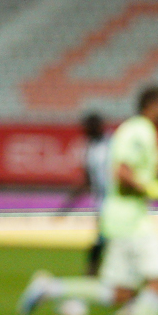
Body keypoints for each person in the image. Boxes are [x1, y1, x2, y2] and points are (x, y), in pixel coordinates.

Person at [20, 85, 158, 315]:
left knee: (117, 293)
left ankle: (49, 288)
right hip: (131, 220)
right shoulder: (139, 130)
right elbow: (124, 174)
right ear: (153, 105)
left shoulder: (130, 132)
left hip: (117, 218)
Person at [56, 111, 113, 279]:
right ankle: (94, 275)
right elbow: (86, 180)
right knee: (103, 241)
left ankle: (94, 274)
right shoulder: (89, 149)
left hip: (118, 202)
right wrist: (68, 205)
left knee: (106, 242)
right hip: (102, 204)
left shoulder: (114, 143)